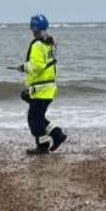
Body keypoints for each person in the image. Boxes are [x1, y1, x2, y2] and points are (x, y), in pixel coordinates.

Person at [14, 14, 67, 155]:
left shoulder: (37, 45)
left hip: (41, 89)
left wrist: (24, 67)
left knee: (34, 119)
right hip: (49, 87)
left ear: (34, 28)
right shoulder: (51, 43)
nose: (31, 29)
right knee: (38, 117)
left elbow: (36, 66)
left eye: (32, 26)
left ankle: (44, 146)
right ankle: (57, 134)